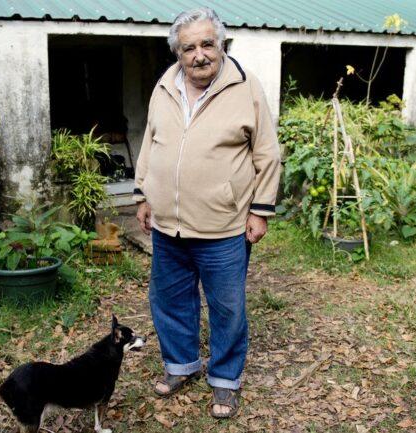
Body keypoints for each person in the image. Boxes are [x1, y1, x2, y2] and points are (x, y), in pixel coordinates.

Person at [132, 7, 281, 418]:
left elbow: (267, 153)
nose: (199, 55)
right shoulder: (165, 85)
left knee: (227, 308)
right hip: (168, 225)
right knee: (170, 299)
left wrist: (260, 210)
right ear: (178, 53)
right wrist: (143, 194)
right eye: (188, 48)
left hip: (223, 225)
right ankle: (181, 365)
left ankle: (225, 380)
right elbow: (150, 143)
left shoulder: (245, 86)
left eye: (206, 44)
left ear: (221, 44)